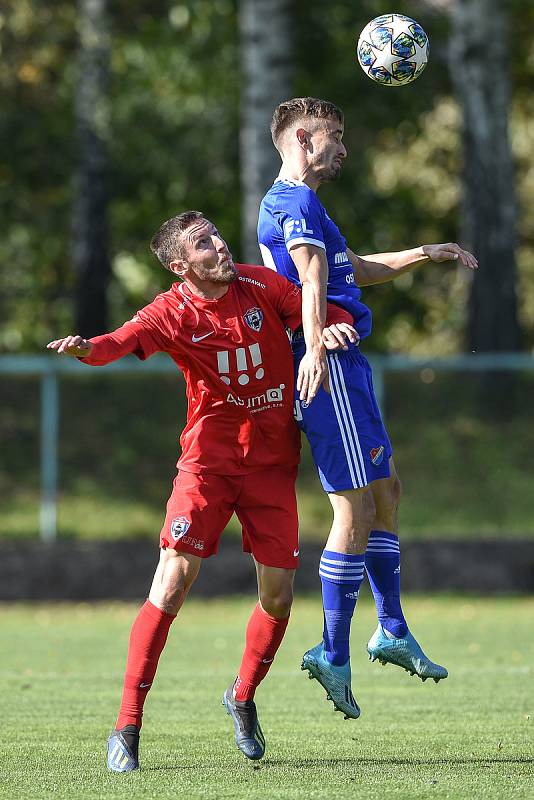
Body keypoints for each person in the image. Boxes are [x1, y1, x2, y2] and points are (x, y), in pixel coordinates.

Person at [47, 210, 356, 769]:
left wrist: (332, 322)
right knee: (170, 583)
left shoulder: (261, 285)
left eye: (215, 234)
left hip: (271, 466)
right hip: (207, 465)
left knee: (279, 597)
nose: (218, 245)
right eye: (202, 243)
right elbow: (120, 341)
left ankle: (241, 696)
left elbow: (318, 308)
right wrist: (85, 348)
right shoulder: (172, 311)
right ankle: (126, 728)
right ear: (180, 265)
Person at [257, 97, 478, 720]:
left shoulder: (311, 206)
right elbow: (310, 278)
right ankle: (334, 652)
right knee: (353, 510)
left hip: (348, 365)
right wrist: (314, 342)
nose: (344, 148)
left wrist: (422, 253)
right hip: (328, 370)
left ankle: (391, 627)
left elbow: (348, 268)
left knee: (386, 494)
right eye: (336, 136)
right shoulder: (290, 203)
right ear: (303, 137)